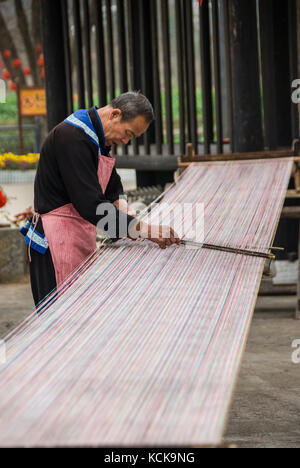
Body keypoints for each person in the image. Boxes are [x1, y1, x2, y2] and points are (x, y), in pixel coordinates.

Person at [19, 91, 180, 307]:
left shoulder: (95, 137)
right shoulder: (73, 137)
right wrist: (144, 230)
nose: (125, 141)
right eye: (128, 134)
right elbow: (91, 205)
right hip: (54, 244)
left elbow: (111, 183)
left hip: (74, 235)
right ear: (115, 114)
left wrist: (121, 204)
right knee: (60, 320)